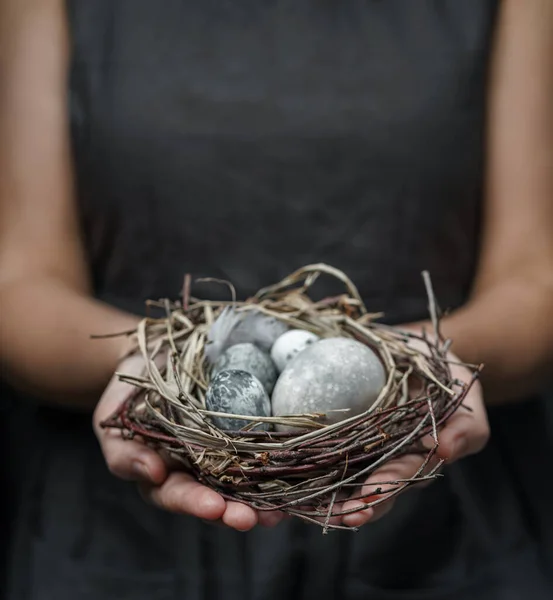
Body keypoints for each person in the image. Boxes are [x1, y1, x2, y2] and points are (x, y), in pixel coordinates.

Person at [1, 0, 552, 598]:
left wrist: (420, 365)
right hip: (122, 536)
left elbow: (537, 280)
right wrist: (148, 364)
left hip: (441, 526)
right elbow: (19, 284)